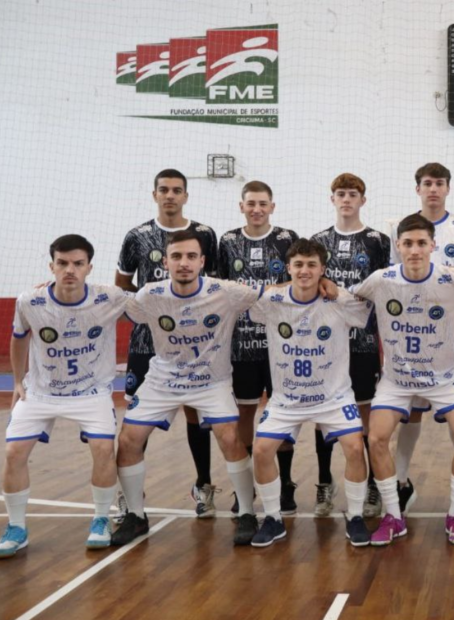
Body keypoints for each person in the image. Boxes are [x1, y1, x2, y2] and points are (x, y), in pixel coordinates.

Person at [111, 230, 264, 547]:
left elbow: (274, 293)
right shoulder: (150, 295)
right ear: (165, 262)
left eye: (191, 257)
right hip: (163, 381)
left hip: (212, 381)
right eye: (177, 257)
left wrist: (318, 284)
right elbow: (109, 300)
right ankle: (136, 516)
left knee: (230, 436)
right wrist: (55, 286)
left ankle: (247, 512)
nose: (184, 263)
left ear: (202, 262)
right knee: (128, 439)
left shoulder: (226, 291)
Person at [352, 214, 454, 545]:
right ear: (397, 246)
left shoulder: (453, 279)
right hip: (396, 380)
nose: (414, 250)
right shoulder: (381, 279)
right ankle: (393, 516)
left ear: (433, 245)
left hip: (445, 377)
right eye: (408, 243)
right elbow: (348, 300)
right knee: (376, 439)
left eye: (421, 243)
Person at [0, 235, 129, 558]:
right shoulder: (30, 301)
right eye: (63, 263)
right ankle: (16, 528)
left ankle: (100, 519)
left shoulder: (110, 298)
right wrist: (16, 381)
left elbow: (151, 305)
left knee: (103, 448)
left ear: (89, 268)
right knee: (13, 452)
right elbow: (19, 339)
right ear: (51, 265)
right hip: (41, 391)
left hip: (91, 391)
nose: (70, 270)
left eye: (78, 264)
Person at [247, 238, 373, 547]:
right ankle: (274, 518)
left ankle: (355, 516)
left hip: (333, 397)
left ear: (323, 269)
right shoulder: (270, 301)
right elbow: (249, 307)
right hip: (287, 399)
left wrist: (333, 286)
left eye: (312, 265)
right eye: (299, 265)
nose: (305, 271)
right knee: (262, 451)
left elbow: (367, 307)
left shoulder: (339, 301)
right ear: (288, 268)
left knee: (355, 448)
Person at [116, 169, 219, 519]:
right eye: (164, 190)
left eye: (177, 190)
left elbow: (215, 285)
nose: (170, 195)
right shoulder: (138, 236)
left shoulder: (204, 235)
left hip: (194, 344)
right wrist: (147, 314)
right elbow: (122, 284)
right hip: (148, 342)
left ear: (186, 196)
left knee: (195, 411)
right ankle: (131, 494)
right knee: (136, 418)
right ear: (154, 194)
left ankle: (203, 484)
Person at [389, 163, 454, 517]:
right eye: (427, 184)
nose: (433, 189)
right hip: (410, 335)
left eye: (439, 183)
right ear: (417, 189)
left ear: (447, 188)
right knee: (409, 414)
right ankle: (399, 482)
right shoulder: (400, 227)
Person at [311, 173, 391, 518]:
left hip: (363, 342)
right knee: (321, 413)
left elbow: (386, 289)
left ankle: (372, 484)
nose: (346, 199)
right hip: (322, 343)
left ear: (363, 200)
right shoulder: (316, 241)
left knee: (364, 412)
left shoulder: (378, 241)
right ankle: (324, 482)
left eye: (353, 194)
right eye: (341, 194)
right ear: (332, 199)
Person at [217, 180, 299, 514]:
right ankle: (246, 486)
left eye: (263, 203)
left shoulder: (287, 239)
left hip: (280, 343)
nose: (256, 209)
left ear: (272, 206)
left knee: (283, 411)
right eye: (250, 203)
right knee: (245, 414)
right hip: (241, 344)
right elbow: (220, 288)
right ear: (241, 206)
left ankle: (287, 483)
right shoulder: (228, 241)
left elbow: (298, 281)